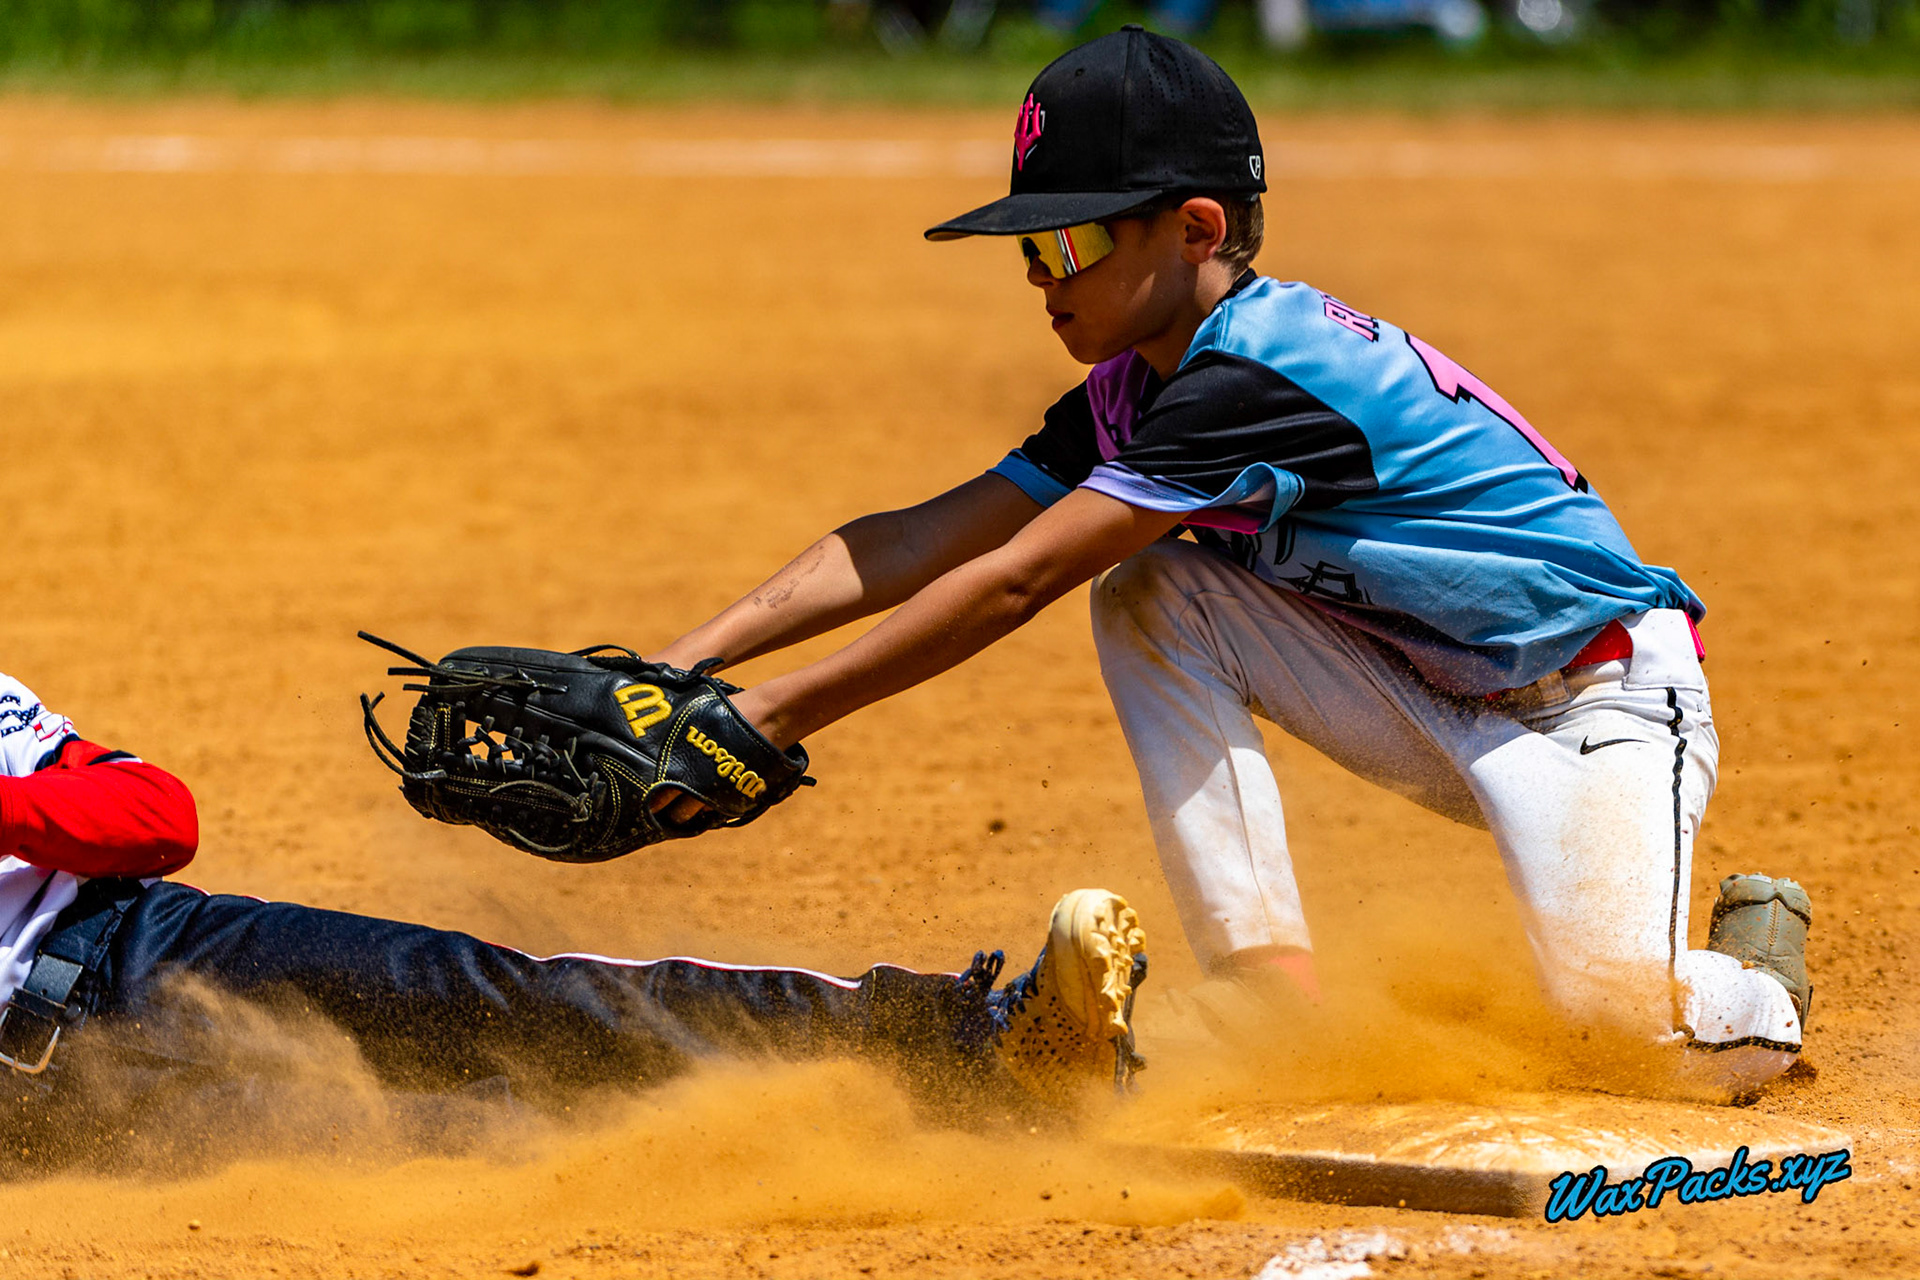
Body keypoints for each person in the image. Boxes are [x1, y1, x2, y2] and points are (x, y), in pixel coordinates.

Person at [644, 26, 1812, 1100]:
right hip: (1431, 689)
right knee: (1158, 589)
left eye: (1070, 239)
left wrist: (771, 715)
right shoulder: (1137, 385)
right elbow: (923, 535)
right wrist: (684, 661)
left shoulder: (1248, 379)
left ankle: (1755, 979)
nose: (1044, 278)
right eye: (1028, 248)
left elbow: (1016, 578)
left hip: (1601, 701)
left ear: (1197, 230)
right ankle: (1265, 985)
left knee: (1624, 1031)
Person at [0, 669, 1150, 1168]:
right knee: (450, 1145)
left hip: (147, 940)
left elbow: (158, 814)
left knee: (515, 1000)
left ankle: (964, 1041)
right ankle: (865, 1134)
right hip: (38, 1107)